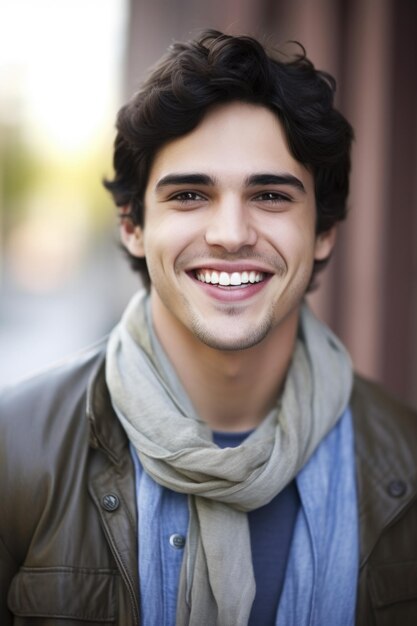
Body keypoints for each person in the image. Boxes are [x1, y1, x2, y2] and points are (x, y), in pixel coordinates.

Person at [1, 29, 416, 626]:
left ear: (323, 232)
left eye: (270, 195)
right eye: (190, 194)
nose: (229, 233)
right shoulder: (13, 448)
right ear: (133, 226)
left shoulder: (408, 458)